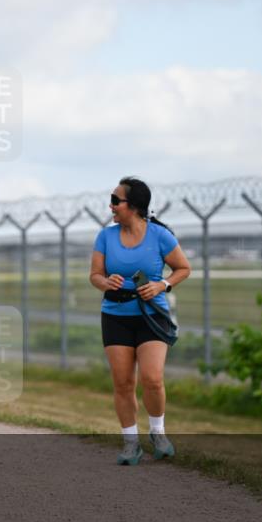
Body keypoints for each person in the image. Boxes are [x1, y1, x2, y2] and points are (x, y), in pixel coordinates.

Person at [89, 177, 192, 465]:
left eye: (115, 200)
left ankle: (158, 433)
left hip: (151, 317)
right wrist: (105, 281)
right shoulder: (105, 237)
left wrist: (163, 285)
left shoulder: (159, 236)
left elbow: (183, 268)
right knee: (123, 383)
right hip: (115, 316)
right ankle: (130, 443)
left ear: (133, 206)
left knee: (152, 379)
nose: (110, 205)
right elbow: (94, 276)